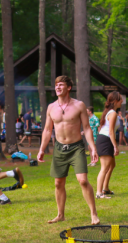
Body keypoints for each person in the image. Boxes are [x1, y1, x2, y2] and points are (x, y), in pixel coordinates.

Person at [37, 75, 100, 225]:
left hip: (76, 147)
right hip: (59, 149)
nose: (57, 87)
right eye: (56, 84)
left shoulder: (79, 105)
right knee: (58, 183)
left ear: (69, 88)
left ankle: (94, 214)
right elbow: (47, 129)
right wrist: (41, 149)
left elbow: (86, 128)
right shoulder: (51, 107)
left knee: (83, 181)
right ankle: (60, 215)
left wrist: (93, 147)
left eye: (61, 85)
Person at [95, 92, 121, 199]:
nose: (122, 102)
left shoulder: (110, 112)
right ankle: (98, 193)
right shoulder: (113, 113)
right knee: (104, 168)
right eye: (120, 100)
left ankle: (105, 189)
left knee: (112, 165)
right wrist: (115, 146)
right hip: (106, 140)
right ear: (115, 101)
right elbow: (111, 132)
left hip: (105, 139)